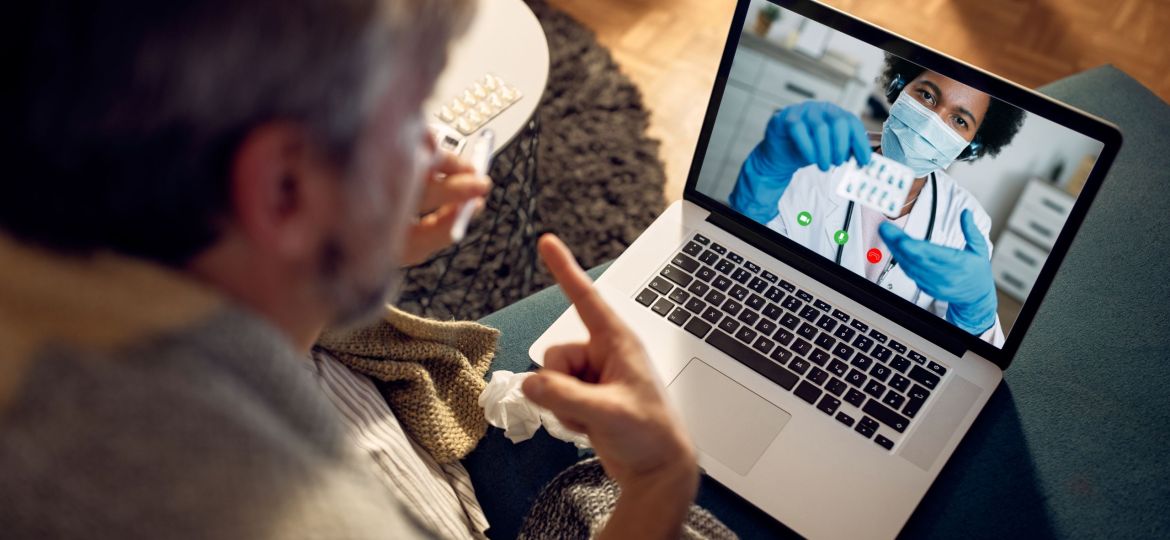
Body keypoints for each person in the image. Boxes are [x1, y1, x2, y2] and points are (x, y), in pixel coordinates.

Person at [0, 0, 697, 538]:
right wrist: (658, 485)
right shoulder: (283, 510)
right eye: (412, 114)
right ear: (282, 188)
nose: (432, 145)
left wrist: (342, 242)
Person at [729, 55, 1026, 346]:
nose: (929, 125)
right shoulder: (815, 160)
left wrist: (976, 317)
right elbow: (742, 263)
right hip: (777, 326)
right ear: (899, 87)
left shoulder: (965, 221)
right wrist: (762, 181)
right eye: (926, 95)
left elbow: (968, 359)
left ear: (970, 148)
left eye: (959, 120)